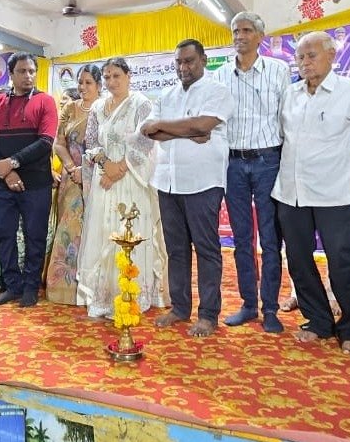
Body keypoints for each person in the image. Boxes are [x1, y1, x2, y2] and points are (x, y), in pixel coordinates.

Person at [272, 32, 350, 355]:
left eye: (311, 55)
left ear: (332, 55)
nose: (304, 62)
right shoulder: (290, 95)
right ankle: (317, 320)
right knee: (298, 259)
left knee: (343, 260)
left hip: (336, 191)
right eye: (300, 57)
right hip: (292, 192)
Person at [142, 40, 234, 337]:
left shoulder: (217, 91)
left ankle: (208, 315)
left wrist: (170, 127)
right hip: (168, 181)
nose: (183, 67)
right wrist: (187, 130)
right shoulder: (166, 95)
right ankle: (180, 308)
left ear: (203, 60)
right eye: (179, 62)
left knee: (206, 249)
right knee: (176, 249)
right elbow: (149, 130)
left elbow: (203, 125)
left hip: (203, 181)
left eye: (189, 61)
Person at [214, 12, 289, 333]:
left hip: (268, 160)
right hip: (232, 163)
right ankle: (248, 304)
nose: (240, 36)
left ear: (260, 36)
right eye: (235, 31)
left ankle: (270, 308)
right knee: (241, 238)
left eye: (246, 30)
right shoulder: (220, 75)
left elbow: (287, 117)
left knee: (270, 239)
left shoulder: (278, 70)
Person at [78, 59, 168, 316]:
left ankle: (133, 294)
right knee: (104, 233)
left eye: (116, 75)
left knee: (129, 234)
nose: (111, 82)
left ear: (129, 76)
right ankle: (105, 297)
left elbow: (146, 143)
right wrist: (105, 164)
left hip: (132, 181)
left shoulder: (141, 104)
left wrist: (120, 168)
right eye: (107, 77)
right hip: (104, 180)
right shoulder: (97, 107)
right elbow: (91, 142)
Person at [0, 53, 58, 308]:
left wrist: (13, 162)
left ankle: (30, 287)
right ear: (11, 74)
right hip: (4, 182)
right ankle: (12, 286)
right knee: (4, 234)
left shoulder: (45, 101)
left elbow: (45, 142)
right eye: (22, 71)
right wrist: (7, 172)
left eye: (32, 71)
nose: (28, 76)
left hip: (37, 183)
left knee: (35, 235)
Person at [46, 64, 101, 304]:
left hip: (97, 176)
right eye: (80, 82)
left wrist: (85, 170)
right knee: (69, 228)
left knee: (94, 228)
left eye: (88, 83)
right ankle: (66, 288)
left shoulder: (105, 108)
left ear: (99, 85)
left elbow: (107, 146)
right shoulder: (70, 108)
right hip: (71, 179)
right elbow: (59, 142)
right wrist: (71, 167)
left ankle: (94, 289)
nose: (83, 87)